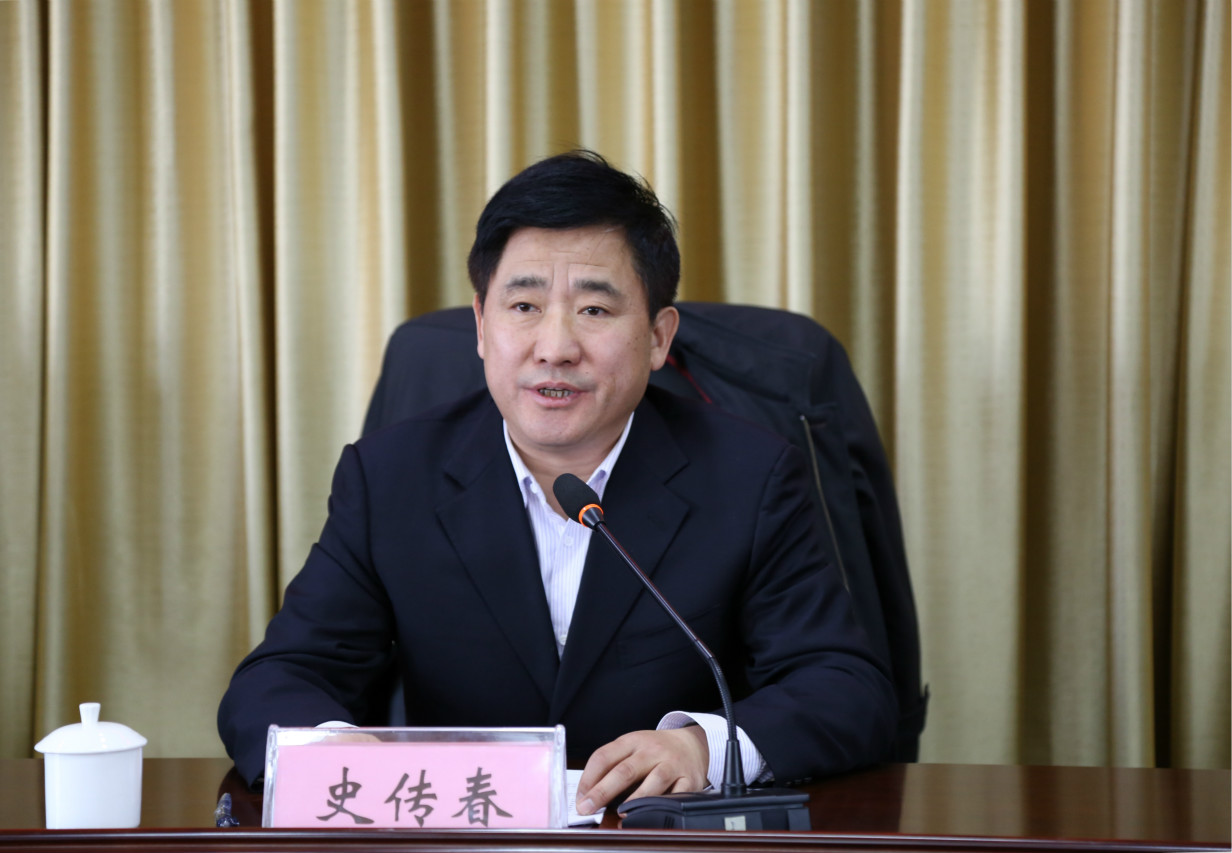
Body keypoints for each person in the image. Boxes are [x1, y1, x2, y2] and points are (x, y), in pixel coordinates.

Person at [217, 150, 897, 815]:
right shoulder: (391, 477)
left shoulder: (750, 475)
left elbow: (845, 687)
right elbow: (280, 678)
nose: (555, 347)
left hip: (661, 846)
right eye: (524, 306)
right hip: (464, 843)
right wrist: (334, 751)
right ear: (481, 325)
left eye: (595, 310)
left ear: (659, 338)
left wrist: (704, 748)